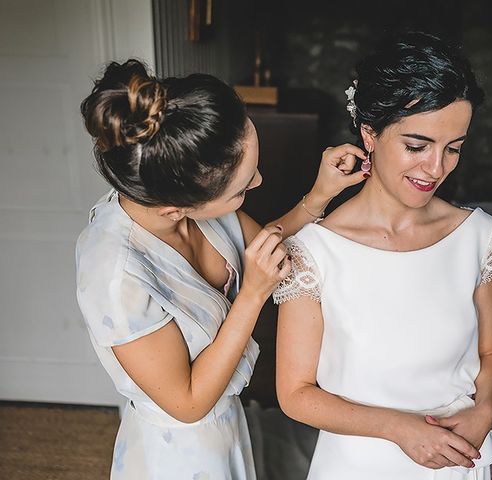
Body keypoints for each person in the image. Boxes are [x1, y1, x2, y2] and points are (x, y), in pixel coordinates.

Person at [75, 59, 368, 479]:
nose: (260, 182)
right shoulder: (115, 276)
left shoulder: (182, 197)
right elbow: (190, 402)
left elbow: (263, 244)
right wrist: (252, 295)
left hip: (230, 423)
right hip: (180, 453)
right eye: (242, 188)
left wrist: (318, 196)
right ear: (179, 208)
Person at [273, 32, 492, 479]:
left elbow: (491, 354)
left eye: (454, 148)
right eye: (417, 146)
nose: (436, 168)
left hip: (457, 462)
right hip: (358, 465)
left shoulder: (480, 235)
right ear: (370, 133)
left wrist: (485, 412)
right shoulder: (314, 251)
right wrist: (399, 429)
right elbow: (295, 393)